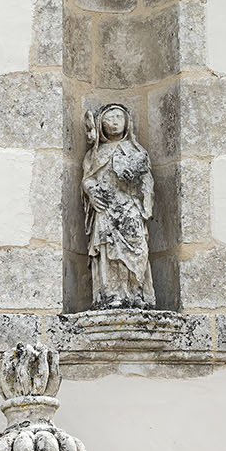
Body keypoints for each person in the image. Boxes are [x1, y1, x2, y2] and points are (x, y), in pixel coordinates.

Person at [83, 102, 154, 309]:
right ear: (100, 124)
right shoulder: (96, 154)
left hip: (130, 209)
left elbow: (147, 181)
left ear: (127, 122)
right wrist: (92, 192)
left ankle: (136, 293)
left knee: (137, 250)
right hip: (106, 209)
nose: (114, 123)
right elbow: (88, 178)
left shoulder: (136, 151)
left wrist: (141, 191)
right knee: (108, 251)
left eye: (118, 118)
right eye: (109, 119)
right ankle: (111, 293)